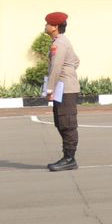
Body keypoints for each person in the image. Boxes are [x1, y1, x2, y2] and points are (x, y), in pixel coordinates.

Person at [41, 11, 81, 171]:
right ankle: (67, 157)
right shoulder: (61, 41)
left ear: (55, 27)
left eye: (47, 24)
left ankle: (69, 159)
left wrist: (49, 89)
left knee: (67, 124)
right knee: (61, 122)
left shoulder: (60, 44)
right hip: (63, 88)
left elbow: (56, 67)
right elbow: (76, 61)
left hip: (65, 89)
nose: (45, 26)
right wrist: (69, 71)